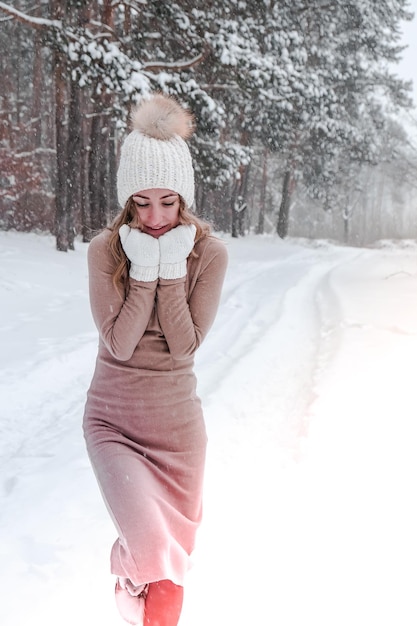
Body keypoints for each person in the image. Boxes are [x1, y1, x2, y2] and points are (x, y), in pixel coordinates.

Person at [82, 93, 228, 626]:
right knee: (148, 547)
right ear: (127, 202)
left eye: (168, 202)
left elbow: (184, 344)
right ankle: (127, 565)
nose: (156, 216)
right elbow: (118, 344)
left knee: (171, 576)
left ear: (184, 199)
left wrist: (170, 268)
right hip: (113, 422)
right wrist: (143, 268)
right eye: (141, 202)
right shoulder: (106, 250)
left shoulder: (209, 254)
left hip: (178, 431)